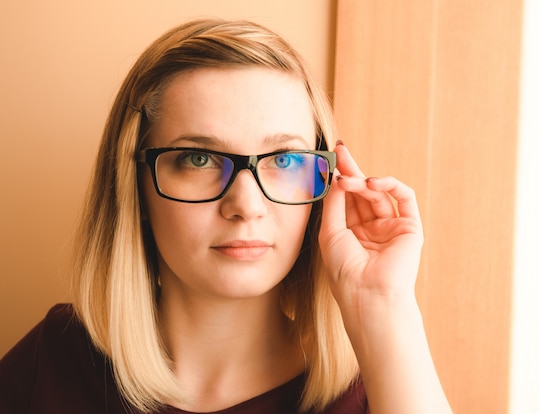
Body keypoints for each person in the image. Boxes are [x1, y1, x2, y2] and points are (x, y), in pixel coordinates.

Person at [0, 19, 452, 414]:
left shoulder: (380, 387)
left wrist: (383, 304)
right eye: (198, 159)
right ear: (134, 185)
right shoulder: (54, 361)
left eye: (285, 160)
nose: (246, 205)